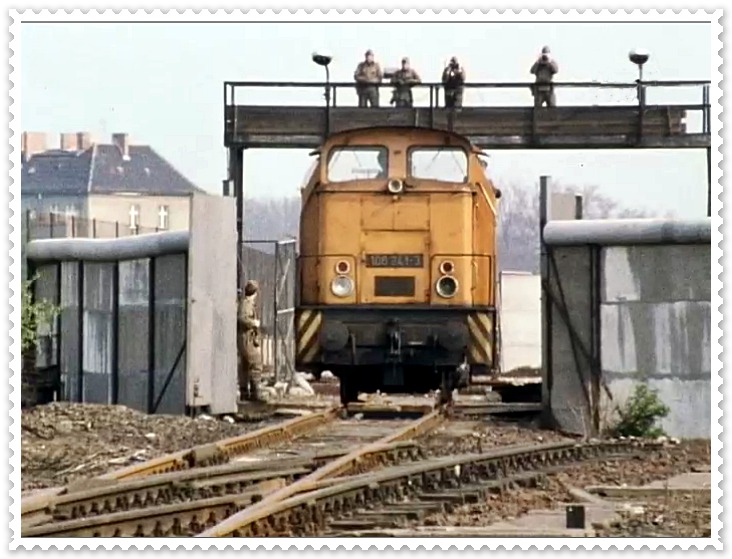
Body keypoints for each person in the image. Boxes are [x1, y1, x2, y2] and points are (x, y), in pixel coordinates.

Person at [237, 280, 263, 402]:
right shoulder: (247, 304)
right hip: (247, 338)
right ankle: (255, 393)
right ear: (255, 292)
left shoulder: (245, 303)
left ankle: (245, 393)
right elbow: (242, 318)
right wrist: (254, 323)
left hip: (245, 338)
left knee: (245, 366)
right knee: (255, 363)